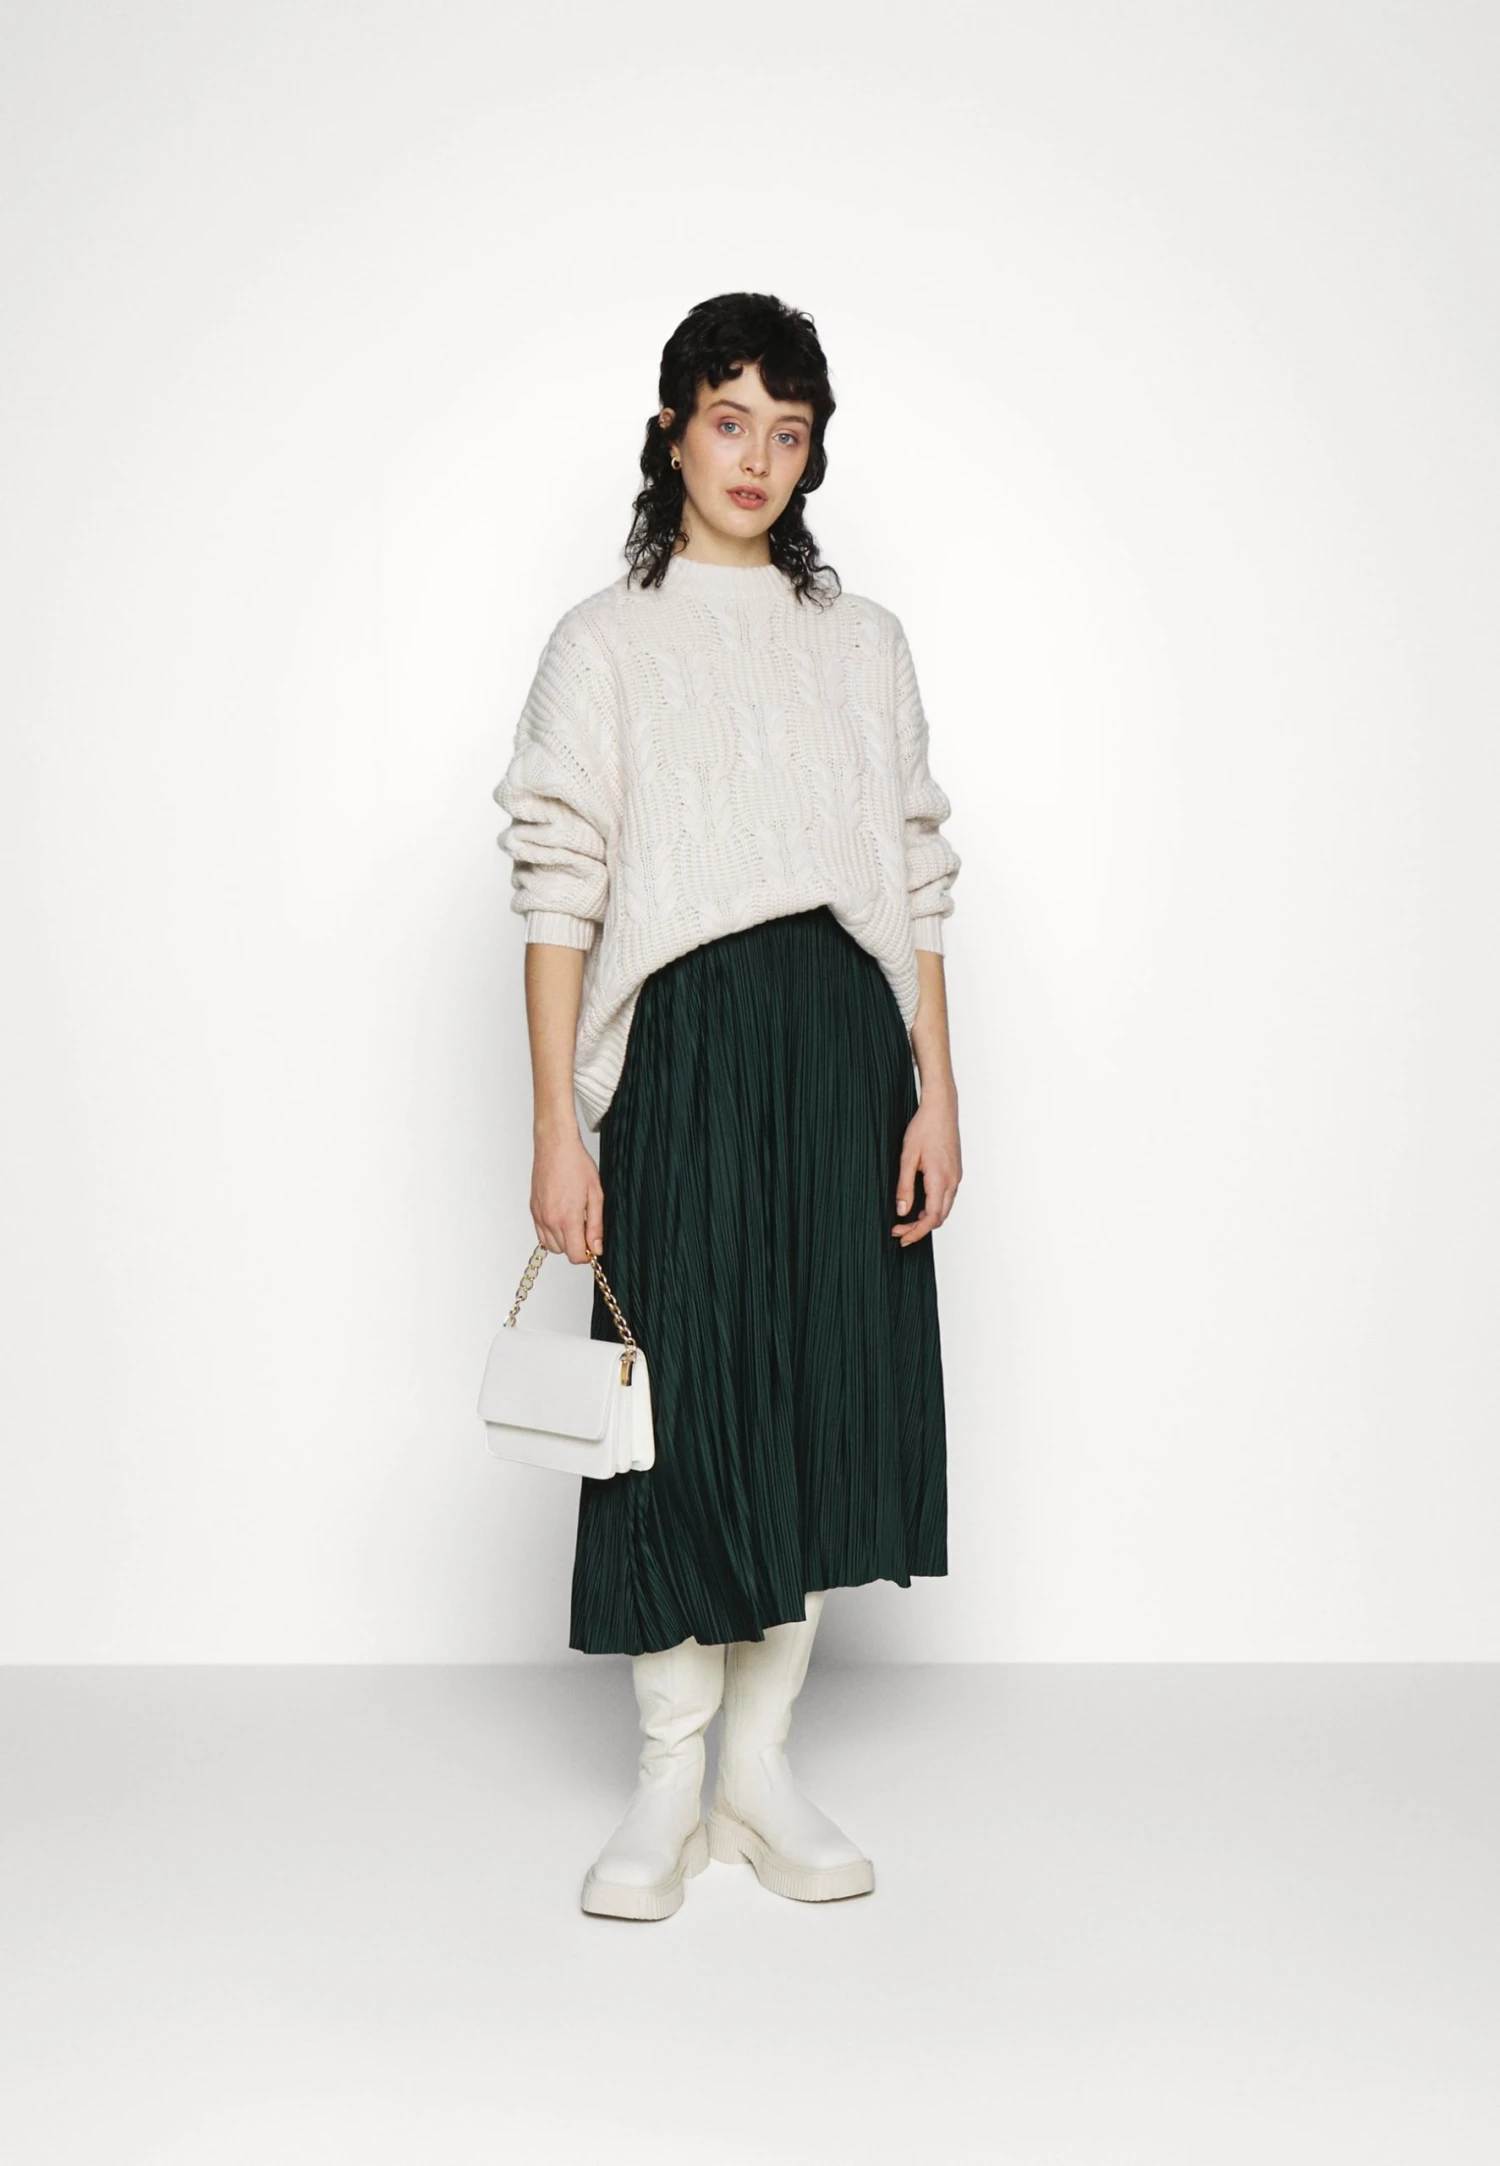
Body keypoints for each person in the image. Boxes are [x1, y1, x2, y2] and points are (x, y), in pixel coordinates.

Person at [493, 291, 963, 1921]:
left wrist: (937, 1088)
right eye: (728, 418)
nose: (757, 456)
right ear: (674, 430)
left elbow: (914, 874)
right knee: (680, 1408)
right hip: (684, 1054)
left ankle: (760, 1769)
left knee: (818, 1391)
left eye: (789, 430)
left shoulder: (863, 643)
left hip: (842, 1050)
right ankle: (665, 1780)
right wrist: (557, 1123)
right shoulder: (603, 642)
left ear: (813, 452)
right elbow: (558, 883)